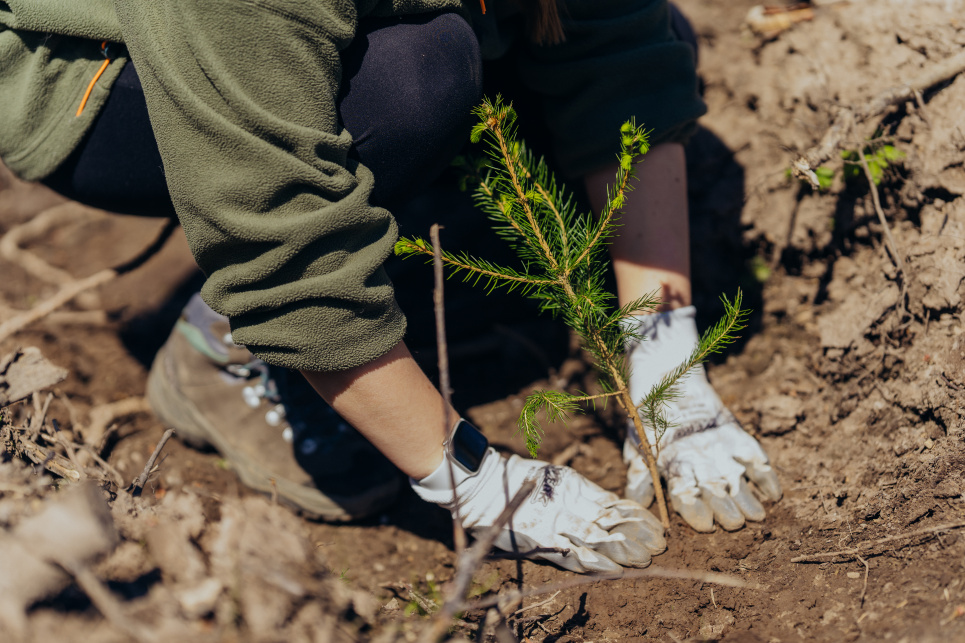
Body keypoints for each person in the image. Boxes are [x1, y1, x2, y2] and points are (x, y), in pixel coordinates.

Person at [0, 0, 781, 573]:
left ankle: (410, 231)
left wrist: (668, 368)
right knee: (413, 83)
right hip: (96, 75)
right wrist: (479, 483)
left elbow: (618, 57)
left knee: (652, 33)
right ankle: (221, 342)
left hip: (279, 34)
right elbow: (278, 236)